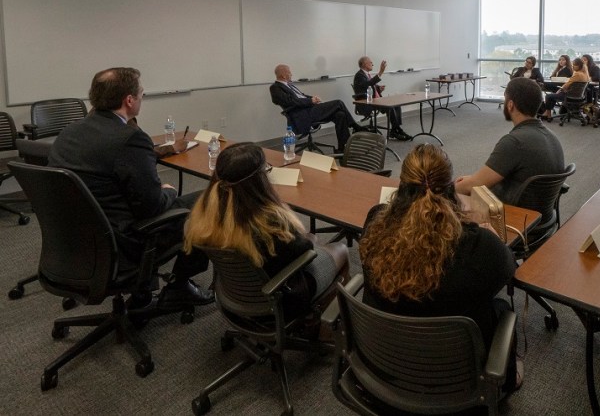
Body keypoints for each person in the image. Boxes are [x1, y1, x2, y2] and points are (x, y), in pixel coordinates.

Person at [359, 144, 520, 392]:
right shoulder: (479, 246)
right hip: (455, 387)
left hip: (384, 373)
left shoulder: (375, 223)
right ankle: (508, 381)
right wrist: (488, 235)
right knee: (501, 309)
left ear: (401, 188)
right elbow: (508, 267)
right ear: (450, 191)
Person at [48, 67, 213, 308]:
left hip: (78, 240)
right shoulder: (129, 139)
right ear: (129, 100)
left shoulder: (69, 133)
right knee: (210, 201)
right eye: (141, 94)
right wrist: (167, 190)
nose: (141, 98)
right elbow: (152, 208)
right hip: (124, 240)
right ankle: (179, 286)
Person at [184, 142, 348, 322]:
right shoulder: (269, 223)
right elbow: (304, 249)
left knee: (313, 240)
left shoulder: (206, 213)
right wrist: (310, 239)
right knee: (340, 249)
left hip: (235, 298)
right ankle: (326, 326)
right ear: (258, 180)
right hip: (281, 297)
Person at [455, 77, 565, 204]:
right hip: (540, 214)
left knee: (452, 198)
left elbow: (473, 186)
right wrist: (472, 179)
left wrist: (446, 189)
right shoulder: (551, 136)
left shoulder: (515, 142)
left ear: (510, 105)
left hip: (513, 213)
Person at [270, 64, 365, 152]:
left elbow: (301, 96)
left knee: (340, 115)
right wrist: (311, 101)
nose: (291, 74)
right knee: (338, 103)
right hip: (302, 115)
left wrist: (312, 98)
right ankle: (355, 126)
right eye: (289, 72)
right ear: (283, 75)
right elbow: (291, 102)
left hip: (309, 110)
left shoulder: (289, 85)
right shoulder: (275, 88)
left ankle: (343, 148)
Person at [352, 56, 411, 141]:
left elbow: (368, 85)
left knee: (396, 105)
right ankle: (396, 131)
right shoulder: (359, 75)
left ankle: (396, 129)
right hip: (366, 103)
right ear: (365, 64)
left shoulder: (366, 74)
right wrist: (380, 72)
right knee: (389, 106)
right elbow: (368, 84)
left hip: (375, 101)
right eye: (370, 62)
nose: (372, 64)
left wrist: (378, 88)